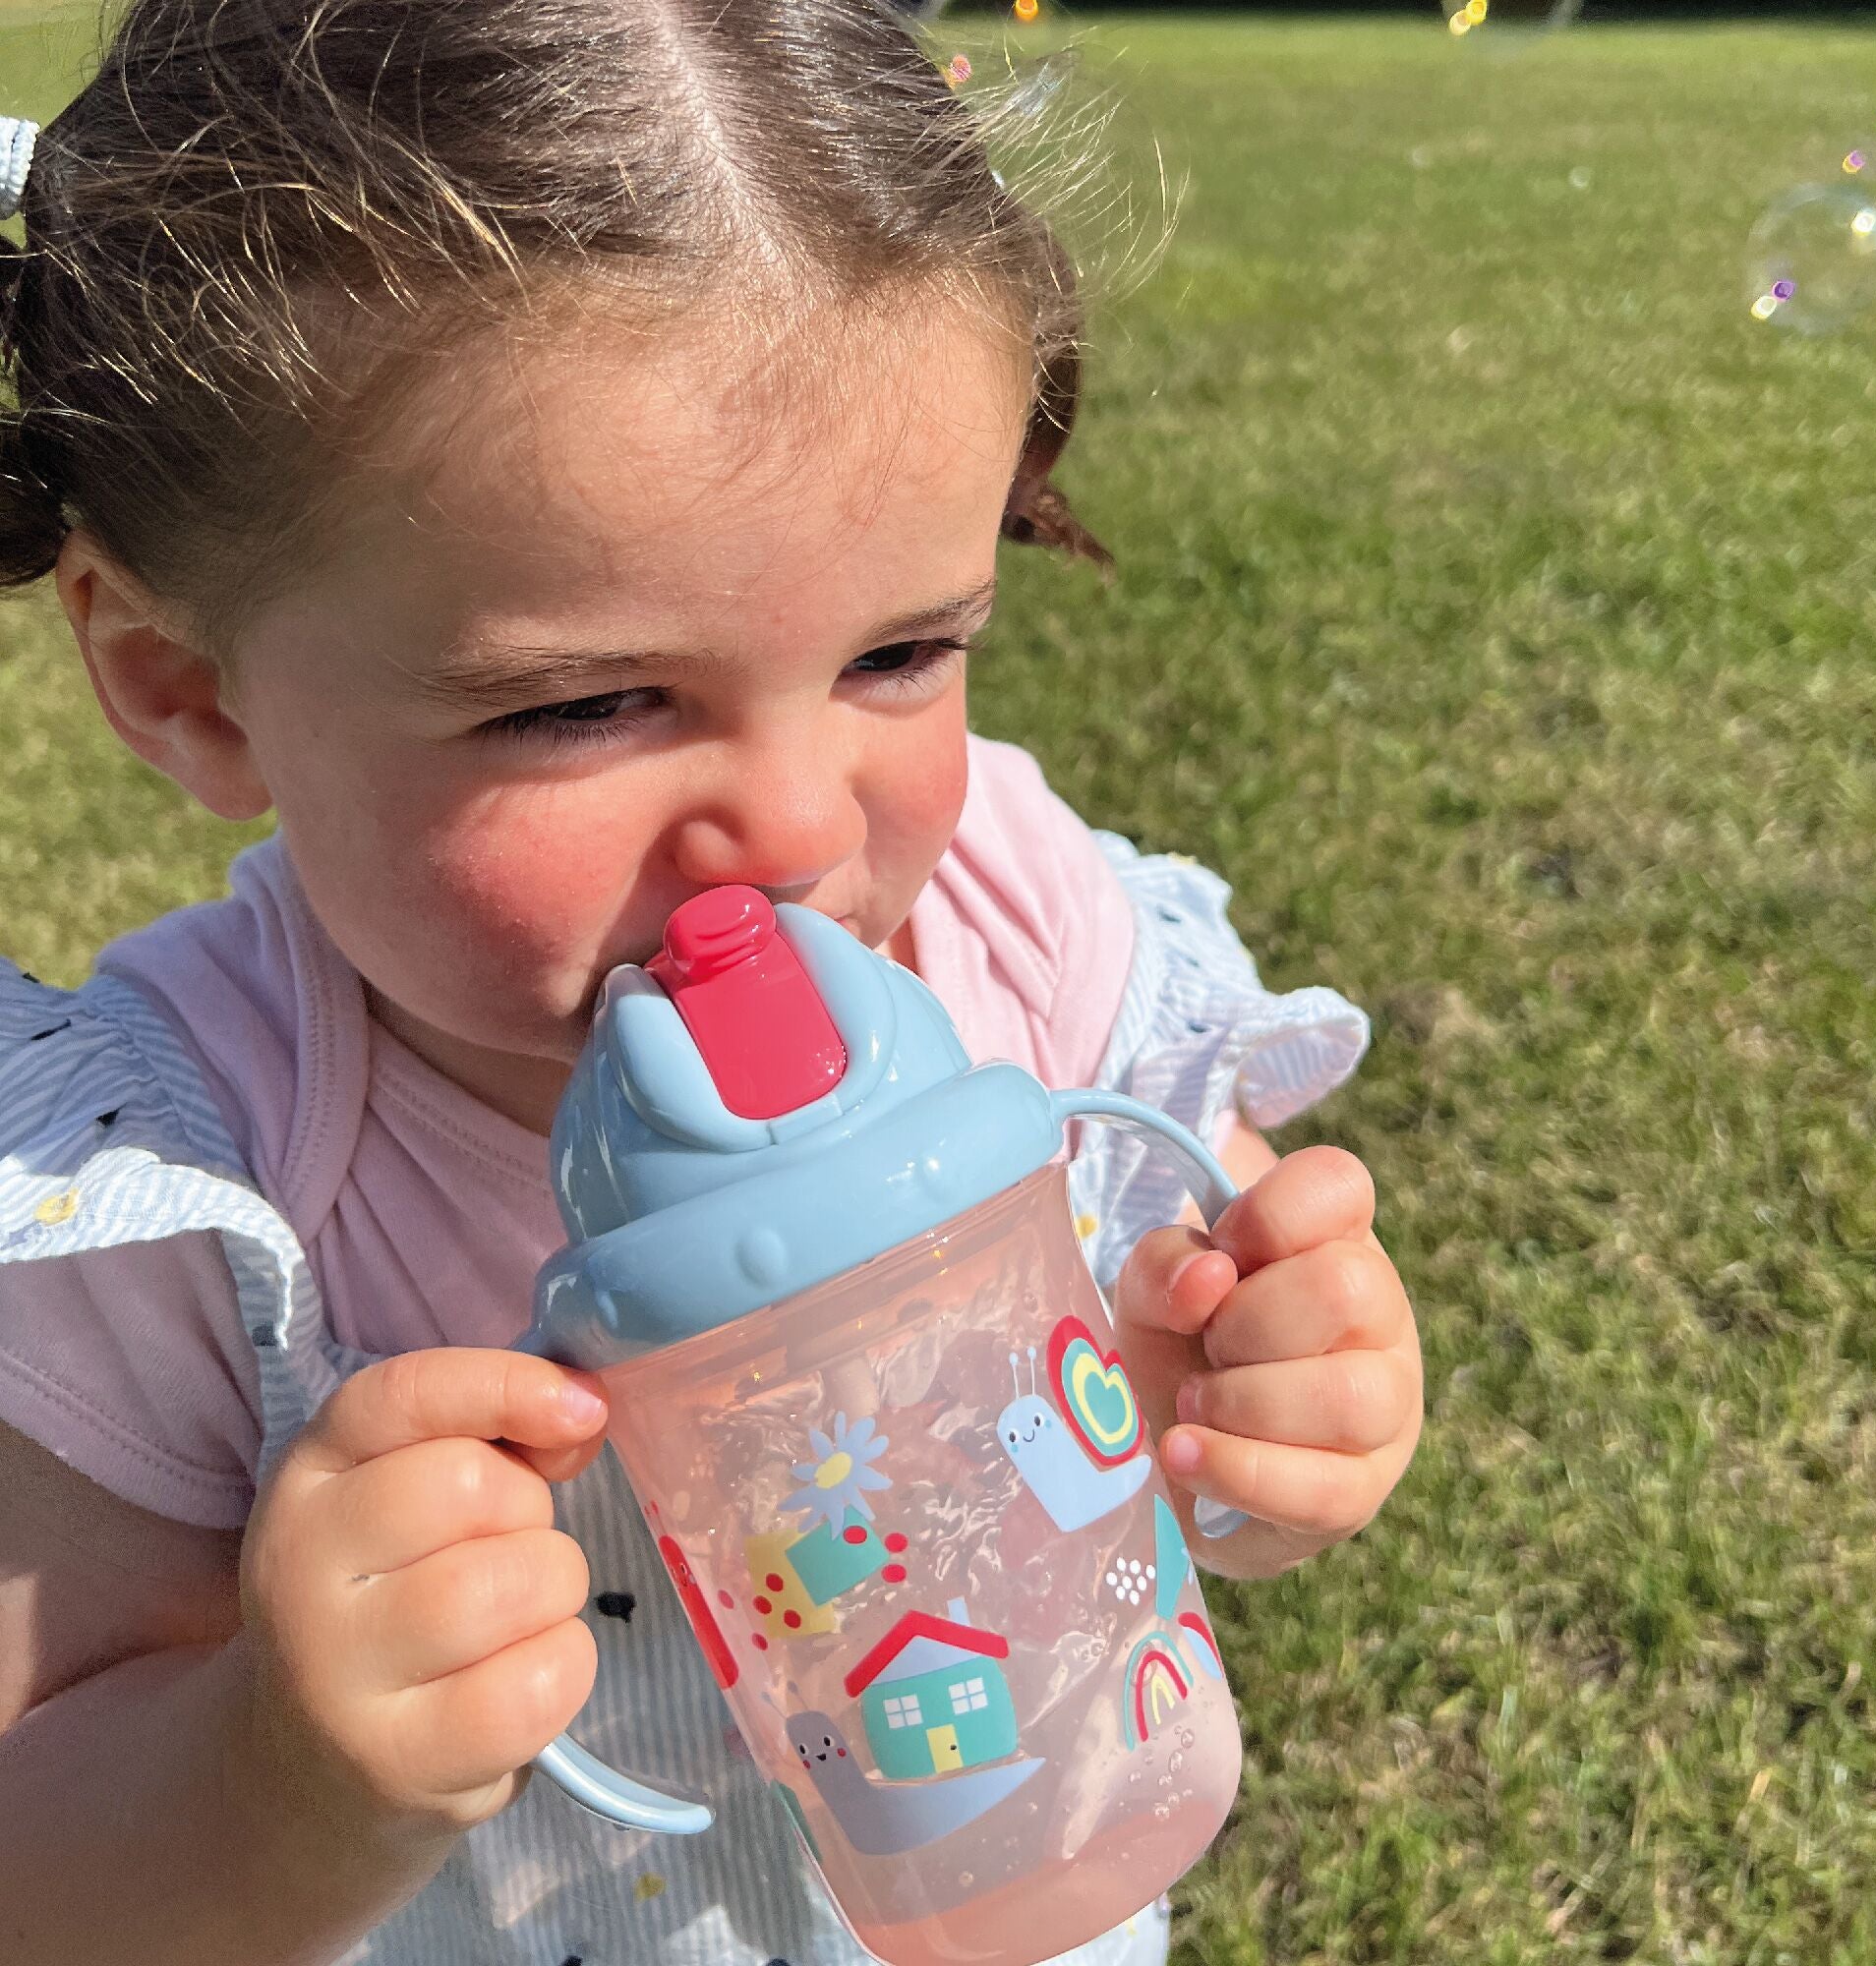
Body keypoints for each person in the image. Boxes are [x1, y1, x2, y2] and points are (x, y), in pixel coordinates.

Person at [0, 4, 1423, 1962]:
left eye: (902, 653)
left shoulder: (1027, 933)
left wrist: (1257, 1406)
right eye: (588, 701)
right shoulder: (196, 1189)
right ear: (183, 685)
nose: (792, 825)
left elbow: (1161, 1381)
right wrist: (273, 1771)